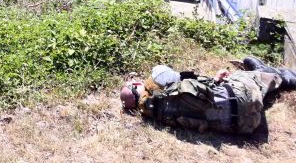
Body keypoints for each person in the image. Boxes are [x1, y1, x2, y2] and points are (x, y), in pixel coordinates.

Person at [121, 58, 296, 134]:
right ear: (136, 85)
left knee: (247, 85)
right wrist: (215, 80)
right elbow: (191, 80)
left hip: (244, 125)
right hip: (243, 99)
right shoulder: (157, 77)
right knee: (248, 77)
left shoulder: (154, 113)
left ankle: (262, 74)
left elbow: (196, 102)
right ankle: (274, 75)